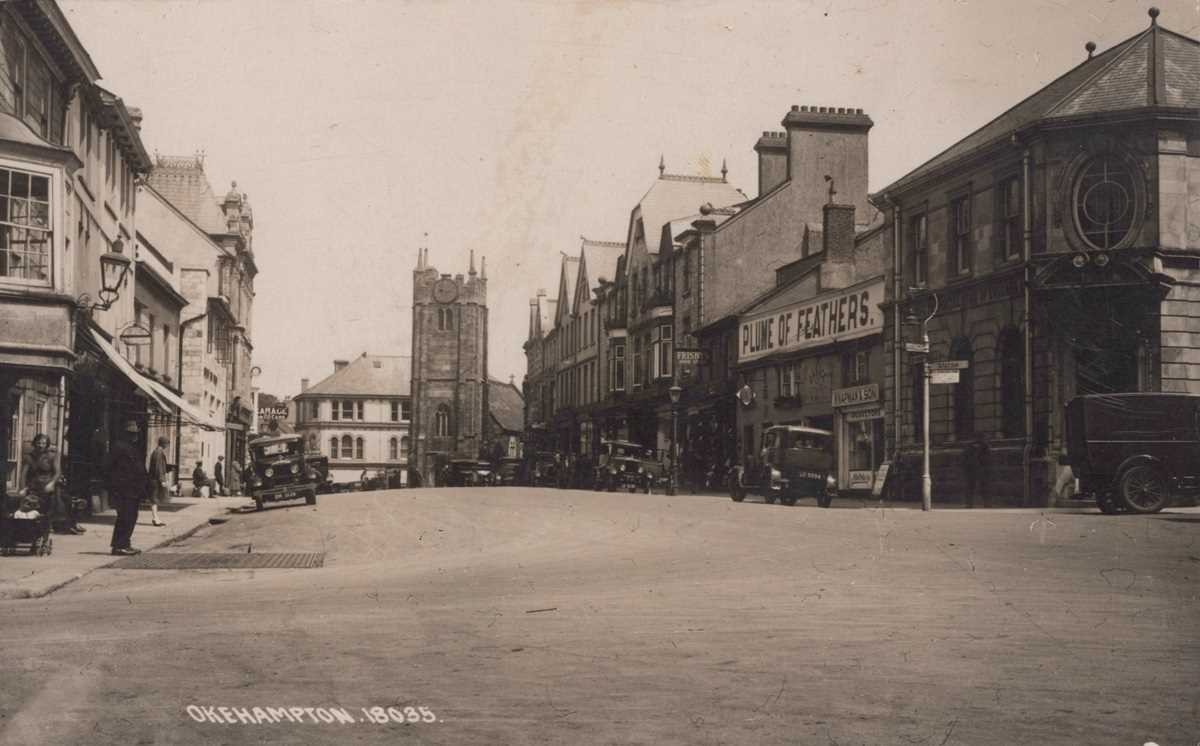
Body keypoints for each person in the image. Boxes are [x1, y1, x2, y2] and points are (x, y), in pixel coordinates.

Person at [21, 433, 84, 535]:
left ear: (47, 444)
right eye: (39, 443)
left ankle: (65, 523)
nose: (41, 445)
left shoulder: (52, 456)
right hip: (34, 484)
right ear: (35, 443)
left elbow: (58, 472)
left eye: (43, 443)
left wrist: (51, 483)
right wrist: (23, 488)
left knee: (61, 499)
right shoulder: (29, 457)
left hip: (49, 482)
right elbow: (24, 474)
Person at [107, 421, 146, 556]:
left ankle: (123, 544)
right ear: (126, 434)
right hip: (124, 489)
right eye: (131, 433)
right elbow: (109, 467)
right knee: (125, 517)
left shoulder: (132, 447)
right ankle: (120, 546)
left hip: (133, 489)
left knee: (130, 517)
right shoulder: (118, 447)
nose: (134, 436)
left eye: (135, 433)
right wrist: (116, 485)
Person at [962, 432, 991, 508]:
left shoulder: (971, 446)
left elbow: (964, 458)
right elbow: (988, 458)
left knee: (974, 487)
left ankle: (971, 504)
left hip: (976, 469)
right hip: (977, 469)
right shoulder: (984, 446)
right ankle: (985, 503)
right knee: (980, 487)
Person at [147, 436, 170, 527]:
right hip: (155, 480)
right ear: (164, 444)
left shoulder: (157, 452)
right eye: (167, 444)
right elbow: (158, 468)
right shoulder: (159, 453)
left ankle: (156, 518)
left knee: (155, 499)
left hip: (154, 479)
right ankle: (155, 519)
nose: (167, 446)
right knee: (154, 499)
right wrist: (162, 480)